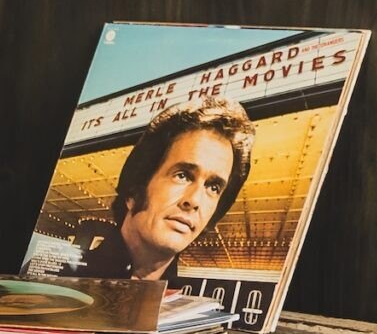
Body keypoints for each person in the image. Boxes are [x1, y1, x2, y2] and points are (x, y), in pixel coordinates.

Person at [66, 99, 254, 283]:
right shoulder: (58, 278)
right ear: (134, 189)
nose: (195, 200)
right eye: (183, 175)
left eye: (213, 187)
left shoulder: (193, 309)